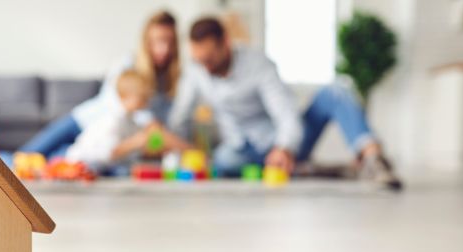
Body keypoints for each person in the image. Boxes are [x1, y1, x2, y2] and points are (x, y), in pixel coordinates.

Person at [168, 17, 402, 190]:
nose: (205, 67)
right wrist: (173, 150)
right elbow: (180, 117)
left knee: (336, 91)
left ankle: (373, 159)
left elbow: (285, 112)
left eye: (210, 59)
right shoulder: (195, 71)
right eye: (200, 61)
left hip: (281, 141)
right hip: (239, 149)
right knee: (224, 161)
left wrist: (284, 147)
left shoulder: (258, 64)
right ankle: (306, 169)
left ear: (226, 43)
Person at [19, 10, 182, 158]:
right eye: (159, 41)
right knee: (26, 156)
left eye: (169, 42)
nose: (164, 49)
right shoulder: (127, 63)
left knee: (54, 163)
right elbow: (116, 101)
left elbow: (161, 124)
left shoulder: (170, 81)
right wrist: (150, 123)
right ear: (147, 41)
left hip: (100, 143)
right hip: (83, 121)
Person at [65, 70, 189, 171]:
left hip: (101, 166)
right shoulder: (113, 120)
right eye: (142, 97)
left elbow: (141, 145)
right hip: (80, 163)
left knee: (130, 168)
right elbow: (108, 153)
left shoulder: (131, 121)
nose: (146, 101)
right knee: (123, 171)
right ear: (124, 96)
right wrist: (134, 143)